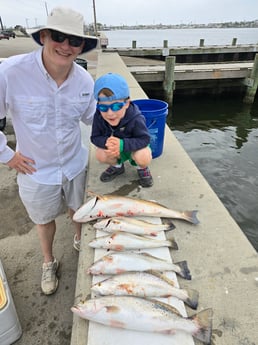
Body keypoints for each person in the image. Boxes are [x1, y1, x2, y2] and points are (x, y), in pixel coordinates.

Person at [0, 7, 98, 295]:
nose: (66, 46)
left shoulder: (84, 80)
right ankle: (48, 260)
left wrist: (120, 114)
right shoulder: (9, 72)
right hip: (35, 169)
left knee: (78, 209)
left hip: (74, 162)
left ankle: (80, 239)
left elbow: (92, 118)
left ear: (82, 46)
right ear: (44, 36)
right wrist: (7, 155)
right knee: (43, 221)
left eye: (74, 41)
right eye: (58, 36)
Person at [91, 73, 153, 187]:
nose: (110, 113)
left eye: (116, 106)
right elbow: (94, 137)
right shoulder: (98, 116)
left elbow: (144, 139)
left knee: (143, 156)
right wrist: (108, 143)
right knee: (100, 154)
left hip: (134, 148)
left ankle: (142, 167)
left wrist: (122, 144)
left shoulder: (136, 118)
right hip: (115, 149)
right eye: (103, 107)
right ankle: (117, 166)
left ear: (127, 104)